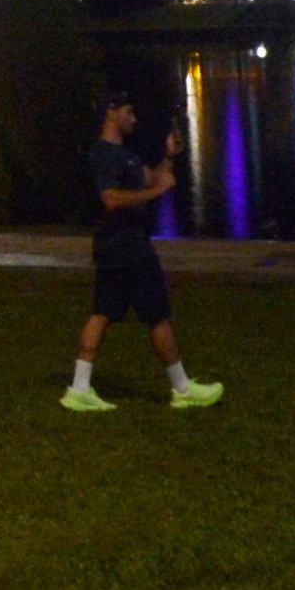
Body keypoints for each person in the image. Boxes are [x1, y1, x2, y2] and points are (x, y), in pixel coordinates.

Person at [63, 90, 222, 411]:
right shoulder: (102, 154)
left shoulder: (128, 155)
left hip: (122, 245)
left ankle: (79, 389)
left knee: (104, 312)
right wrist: (156, 191)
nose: (134, 119)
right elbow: (110, 198)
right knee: (156, 313)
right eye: (129, 112)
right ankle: (181, 388)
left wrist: (168, 157)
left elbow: (154, 176)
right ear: (111, 113)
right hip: (125, 244)